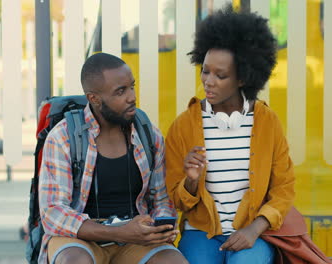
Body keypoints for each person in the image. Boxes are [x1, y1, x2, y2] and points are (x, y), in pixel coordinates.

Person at [165, 6, 295, 264]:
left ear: (242, 79)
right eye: (205, 70)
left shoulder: (267, 122)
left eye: (220, 75)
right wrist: (191, 181)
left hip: (253, 232)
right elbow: (176, 201)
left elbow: (284, 188)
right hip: (201, 233)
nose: (208, 81)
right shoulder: (183, 126)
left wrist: (254, 229)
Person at [38, 53, 187, 264]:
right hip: (80, 238)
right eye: (120, 91)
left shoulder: (148, 134)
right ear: (94, 99)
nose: (131, 97)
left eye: (132, 87)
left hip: (135, 237)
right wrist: (118, 233)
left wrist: (159, 226)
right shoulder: (63, 138)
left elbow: (161, 199)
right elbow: (53, 212)